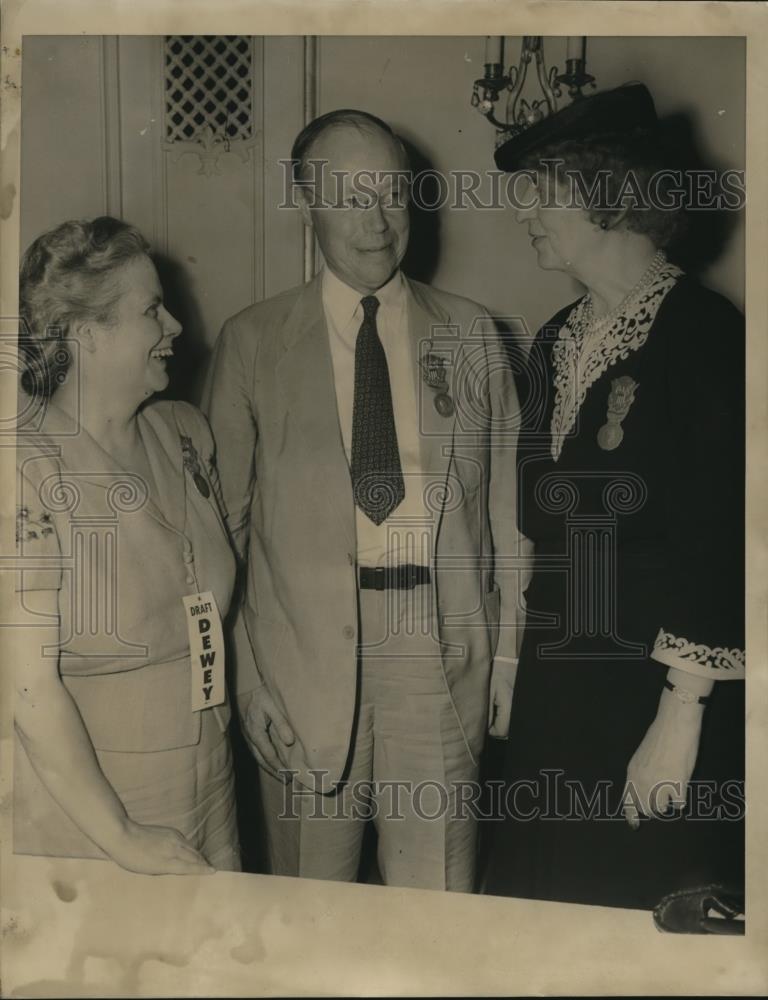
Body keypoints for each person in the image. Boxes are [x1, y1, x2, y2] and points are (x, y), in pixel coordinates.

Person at [204, 109, 526, 891]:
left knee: (439, 901)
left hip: (439, 651)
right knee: (308, 903)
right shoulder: (251, 344)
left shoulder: (475, 335)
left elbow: (511, 515)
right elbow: (221, 542)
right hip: (299, 668)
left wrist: (510, 654)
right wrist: (245, 683)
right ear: (304, 201)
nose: (378, 222)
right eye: (351, 198)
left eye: (392, 194)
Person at [483, 84, 745, 909]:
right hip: (560, 688)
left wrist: (681, 721)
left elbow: (721, 541)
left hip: (653, 693)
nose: (524, 212)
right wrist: (510, 662)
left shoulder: (706, 334)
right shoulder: (557, 338)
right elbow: (535, 523)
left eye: (543, 190)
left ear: (610, 193)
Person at [14, 217, 240, 874]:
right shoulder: (28, 471)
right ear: (86, 336)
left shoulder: (185, 432)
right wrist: (123, 836)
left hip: (214, 781)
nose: (174, 327)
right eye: (151, 310)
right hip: (99, 816)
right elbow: (27, 689)